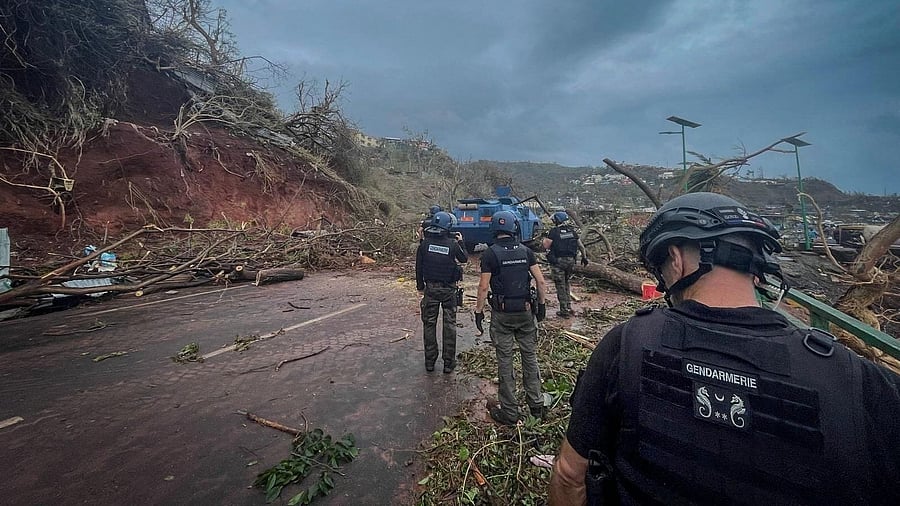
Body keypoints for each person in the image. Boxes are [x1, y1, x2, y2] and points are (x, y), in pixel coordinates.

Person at [549, 192, 900, 505]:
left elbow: (569, 475)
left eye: (660, 270)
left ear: (676, 258)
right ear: (758, 268)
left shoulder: (626, 344)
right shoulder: (853, 378)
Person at [475, 210, 549, 425]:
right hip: (526, 313)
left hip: (503, 315)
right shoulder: (526, 252)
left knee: (505, 362)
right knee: (530, 357)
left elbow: (482, 287)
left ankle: (509, 411)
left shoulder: (490, 254)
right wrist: (541, 306)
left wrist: (478, 312)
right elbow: (541, 282)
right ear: (514, 228)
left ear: (495, 230)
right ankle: (536, 407)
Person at [416, 211, 468, 373]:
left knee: (429, 325)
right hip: (449, 291)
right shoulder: (452, 245)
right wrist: (462, 243)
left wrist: (420, 287)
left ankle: (430, 362)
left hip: (430, 289)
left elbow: (418, 268)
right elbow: (464, 258)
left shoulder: (424, 244)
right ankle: (448, 363)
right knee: (449, 325)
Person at [542, 211, 588, 317]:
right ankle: (568, 306)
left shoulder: (554, 232)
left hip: (558, 262)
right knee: (567, 283)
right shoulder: (572, 231)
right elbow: (581, 246)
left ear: (557, 220)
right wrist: (584, 258)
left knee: (560, 285)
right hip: (571, 262)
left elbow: (545, 246)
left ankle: (564, 310)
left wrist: (545, 238)